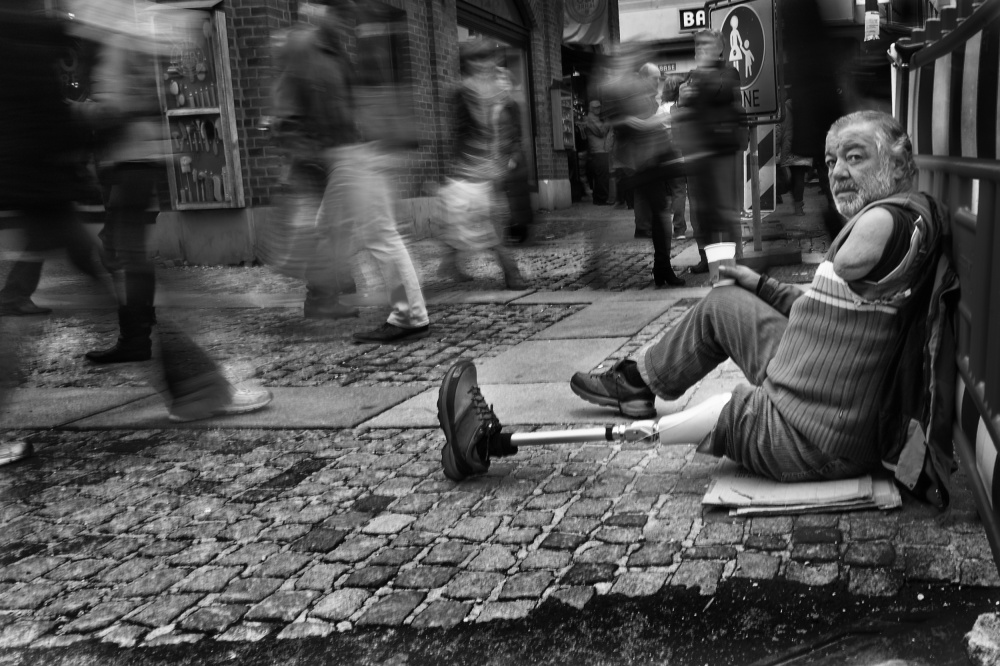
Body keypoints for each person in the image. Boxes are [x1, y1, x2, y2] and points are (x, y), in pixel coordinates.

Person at [437, 111, 957, 505]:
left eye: (855, 157)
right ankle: (638, 384)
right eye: (831, 160)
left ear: (898, 162)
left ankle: (494, 441)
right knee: (725, 301)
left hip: (814, 433)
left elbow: (857, 254)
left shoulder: (887, 221)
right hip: (811, 373)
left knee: (723, 412)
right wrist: (760, 283)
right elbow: (829, 303)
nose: (838, 172)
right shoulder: (902, 214)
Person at [69, 0, 273, 420]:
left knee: (127, 265)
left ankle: (190, 381)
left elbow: (117, 106)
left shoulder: (116, 40)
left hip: (130, 163)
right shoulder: (118, 38)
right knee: (121, 262)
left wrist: (70, 110)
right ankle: (166, 362)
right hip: (129, 163)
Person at [265, 0, 431, 342]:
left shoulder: (332, 49)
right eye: (338, 14)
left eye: (344, 16)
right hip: (345, 156)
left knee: (379, 235)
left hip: (355, 155)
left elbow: (346, 105)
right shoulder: (309, 48)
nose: (343, 21)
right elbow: (293, 106)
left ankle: (408, 314)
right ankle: (326, 295)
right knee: (329, 228)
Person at [436, 38, 527, 290]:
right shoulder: (461, 92)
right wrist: (456, 168)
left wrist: (512, 155)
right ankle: (510, 273)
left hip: (494, 168)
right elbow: (457, 133)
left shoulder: (503, 94)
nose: (483, 64)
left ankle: (505, 272)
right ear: (466, 63)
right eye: (476, 59)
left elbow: (513, 131)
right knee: (475, 222)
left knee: (488, 221)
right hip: (470, 168)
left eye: (486, 57)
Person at [603, 60, 684, 288]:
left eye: (659, 79)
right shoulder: (632, 96)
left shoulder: (646, 98)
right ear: (643, 77)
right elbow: (627, 125)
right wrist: (657, 121)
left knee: (660, 214)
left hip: (651, 162)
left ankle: (662, 268)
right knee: (660, 213)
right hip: (641, 164)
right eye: (655, 78)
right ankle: (662, 268)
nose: (658, 82)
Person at [673, 30, 745, 273]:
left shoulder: (728, 73)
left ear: (720, 49)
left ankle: (732, 264)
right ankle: (710, 260)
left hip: (721, 152)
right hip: (698, 153)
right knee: (702, 212)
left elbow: (720, 92)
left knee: (724, 211)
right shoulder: (693, 77)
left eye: (706, 43)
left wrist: (698, 84)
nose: (700, 48)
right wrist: (683, 100)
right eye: (698, 44)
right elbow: (686, 113)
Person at [776, 98, 811, 216]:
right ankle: (798, 205)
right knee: (799, 177)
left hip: (789, 148)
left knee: (792, 177)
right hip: (804, 146)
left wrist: (776, 146)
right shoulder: (806, 107)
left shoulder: (784, 109)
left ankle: (797, 202)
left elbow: (779, 129)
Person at [584, 100, 612, 207]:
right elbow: (601, 132)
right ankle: (602, 199)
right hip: (598, 151)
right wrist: (607, 122)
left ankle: (599, 198)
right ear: (591, 108)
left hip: (600, 151)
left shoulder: (595, 118)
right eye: (595, 107)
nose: (598, 109)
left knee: (601, 176)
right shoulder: (591, 119)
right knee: (602, 176)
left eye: (599, 107)